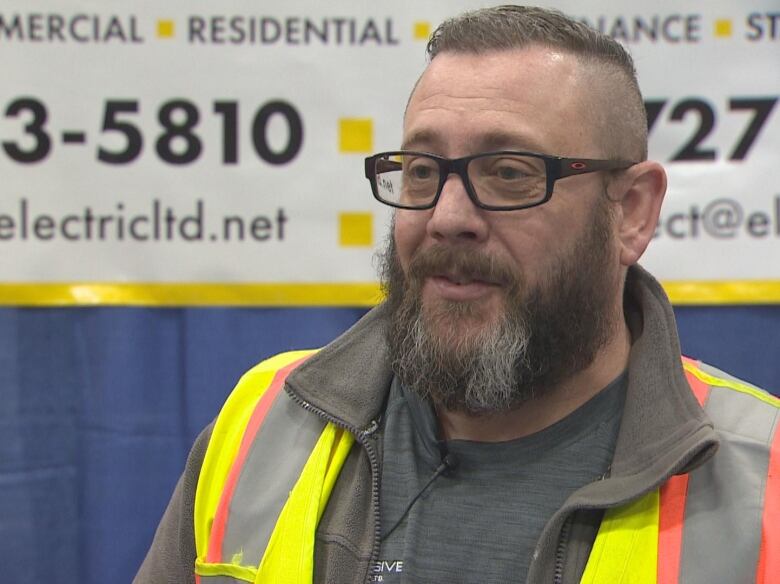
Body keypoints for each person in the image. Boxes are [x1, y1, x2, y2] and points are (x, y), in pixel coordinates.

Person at [136, 6, 778, 583]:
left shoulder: (763, 486)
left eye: (508, 173)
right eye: (422, 171)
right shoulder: (263, 424)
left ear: (631, 212)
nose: (447, 217)